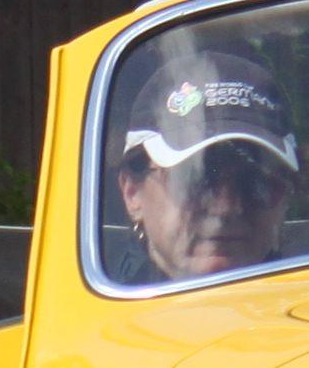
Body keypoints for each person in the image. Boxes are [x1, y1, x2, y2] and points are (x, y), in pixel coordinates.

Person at [108, 50, 299, 282]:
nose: (226, 207)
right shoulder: (89, 314)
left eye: (255, 183)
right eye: (194, 180)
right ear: (132, 193)